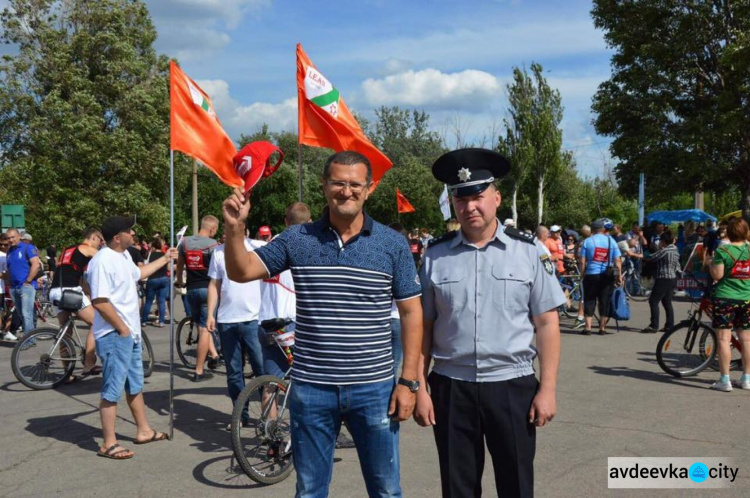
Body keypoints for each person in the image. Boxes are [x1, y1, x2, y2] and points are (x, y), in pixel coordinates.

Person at [221, 150, 423, 497]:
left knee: (386, 490)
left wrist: (409, 382)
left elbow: (411, 312)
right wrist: (235, 228)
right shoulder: (298, 239)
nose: (347, 191)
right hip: (313, 389)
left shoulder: (392, 244)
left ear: (369, 188)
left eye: (355, 184)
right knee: (310, 491)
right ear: (324, 186)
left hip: (374, 389)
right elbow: (241, 271)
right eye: (338, 183)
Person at [415, 148, 565, 497]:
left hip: (512, 386)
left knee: (515, 484)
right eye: (461, 199)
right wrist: (419, 387)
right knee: (458, 487)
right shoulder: (435, 256)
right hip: (452, 387)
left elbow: (547, 324)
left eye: (478, 197)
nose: (470, 207)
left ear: (496, 198)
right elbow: (422, 327)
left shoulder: (528, 251)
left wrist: (548, 389)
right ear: (454, 204)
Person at [86, 216, 175, 459]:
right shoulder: (103, 261)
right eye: (129, 230)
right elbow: (100, 302)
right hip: (115, 334)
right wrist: (123, 329)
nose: (134, 233)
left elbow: (138, 273)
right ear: (117, 237)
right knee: (112, 389)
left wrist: (165, 259)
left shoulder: (124, 256)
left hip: (130, 334)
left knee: (134, 384)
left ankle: (144, 430)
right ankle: (108, 443)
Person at [206, 223, 265, 428]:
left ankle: (268, 415)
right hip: (226, 320)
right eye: (226, 231)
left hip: (254, 318)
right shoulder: (218, 253)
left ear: (244, 232)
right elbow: (214, 285)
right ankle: (240, 414)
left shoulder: (258, 247)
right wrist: (210, 314)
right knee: (233, 373)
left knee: (261, 369)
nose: (228, 235)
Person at [258, 202, 311, 379]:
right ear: (310, 221)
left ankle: (269, 406)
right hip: (293, 323)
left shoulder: (270, 246)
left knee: (271, 383)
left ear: (286, 221)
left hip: (266, 322)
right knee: (305, 380)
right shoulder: (306, 249)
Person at [49, 227, 103, 380]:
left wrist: (92, 295)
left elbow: (79, 279)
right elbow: (107, 260)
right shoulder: (87, 249)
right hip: (70, 292)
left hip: (55, 291)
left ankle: (67, 374)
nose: (100, 245)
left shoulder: (68, 251)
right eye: (100, 241)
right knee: (96, 322)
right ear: (93, 237)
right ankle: (88, 363)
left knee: (65, 332)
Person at [707, 218, 750, 392]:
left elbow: (717, 275)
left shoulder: (723, 250)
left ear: (729, 233)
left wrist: (710, 264)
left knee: (724, 339)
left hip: (725, 297)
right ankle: (747, 378)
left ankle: (725, 380)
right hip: (747, 298)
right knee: (746, 339)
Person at [175, 215, 220, 381]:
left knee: (201, 325)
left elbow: (179, 266)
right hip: (208, 290)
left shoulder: (185, 243)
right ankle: (199, 370)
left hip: (191, 290)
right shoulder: (213, 245)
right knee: (204, 329)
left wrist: (180, 282)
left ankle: (214, 355)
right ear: (212, 229)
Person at [579, 218, 622, 335]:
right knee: (604, 300)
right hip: (607, 275)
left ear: (594, 229)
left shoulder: (587, 241)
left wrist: (582, 274)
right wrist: (619, 277)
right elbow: (617, 261)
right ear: (604, 229)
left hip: (591, 274)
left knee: (589, 299)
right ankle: (602, 328)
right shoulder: (611, 241)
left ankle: (588, 328)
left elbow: (582, 261)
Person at [640, 230, 680, 333]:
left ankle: (654, 325)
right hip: (672, 278)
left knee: (653, 301)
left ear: (664, 241)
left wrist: (639, 253)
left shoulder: (666, 250)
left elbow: (651, 258)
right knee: (667, 302)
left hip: (664, 278)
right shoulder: (675, 249)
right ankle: (669, 325)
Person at [4, 228, 41, 336]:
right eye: (8, 238)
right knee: (22, 315)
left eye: (12, 237)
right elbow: (9, 269)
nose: (10, 240)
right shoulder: (10, 251)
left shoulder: (27, 247)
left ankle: (28, 339)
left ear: (19, 236)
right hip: (14, 287)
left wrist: (28, 281)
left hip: (26, 287)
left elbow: (36, 264)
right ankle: (31, 336)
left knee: (26, 314)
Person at [140, 236, 170, 328]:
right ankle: (161, 321)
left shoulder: (150, 254)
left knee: (148, 301)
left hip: (153, 278)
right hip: (163, 278)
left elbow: (147, 266)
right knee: (161, 301)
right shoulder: (165, 255)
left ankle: (144, 321)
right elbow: (169, 268)